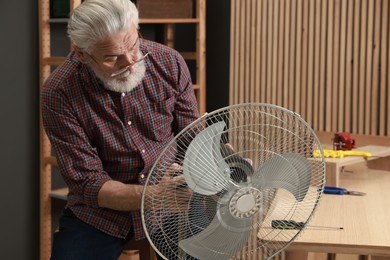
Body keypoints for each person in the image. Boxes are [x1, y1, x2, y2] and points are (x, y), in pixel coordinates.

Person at [41, 0, 200, 259]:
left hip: (173, 202)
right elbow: (89, 184)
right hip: (100, 214)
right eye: (112, 57)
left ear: (137, 29)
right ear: (82, 54)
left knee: (212, 247)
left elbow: (192, 138)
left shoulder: (169, 62)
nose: (129, 62)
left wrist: (220, 163)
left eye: (133, 44)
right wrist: (152, 195)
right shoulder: (60, 92)